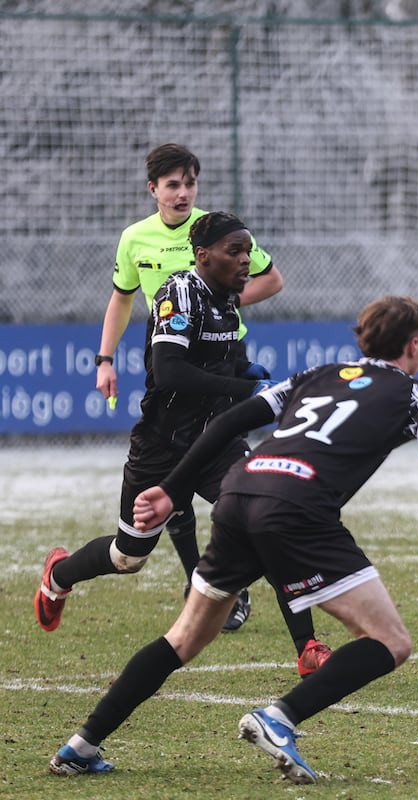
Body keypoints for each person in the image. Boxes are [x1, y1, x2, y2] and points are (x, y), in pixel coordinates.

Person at [48, 295, 418, 784]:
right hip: (297, 506)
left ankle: (80, 746)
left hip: (240, 490)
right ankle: (279, 717)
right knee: (390, 642)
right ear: (414, 346)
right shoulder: (413, 392)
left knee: (182, 639)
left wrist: (172, 489)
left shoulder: (318, 374)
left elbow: (228, 421)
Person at [37, 212, 330, 677]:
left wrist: (255, 378)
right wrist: (247, 391)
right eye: (235, 251)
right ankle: (59, 575)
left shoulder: (228, 299)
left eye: (247, 251)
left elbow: (226, 367)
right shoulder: (180, 293)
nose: (245, 260)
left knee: (268, 523)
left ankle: (309, 647)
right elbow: (171, 371)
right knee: (127, 557)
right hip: (162, 444)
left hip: (218, 440)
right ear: (203, 256)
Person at [94, 143, 284, 631]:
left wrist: (224, 305)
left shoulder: (217, 231)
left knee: (237, 488)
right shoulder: (135, 239)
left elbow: (271, 280)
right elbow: (121, 300)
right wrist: (105, 358)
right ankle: (200, 579)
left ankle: (228, 589)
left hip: (224, 360)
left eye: (189, 184)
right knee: (170, 482)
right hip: (171, 365)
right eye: (172, 185)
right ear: (153, 189)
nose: (182, 193)